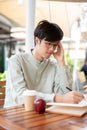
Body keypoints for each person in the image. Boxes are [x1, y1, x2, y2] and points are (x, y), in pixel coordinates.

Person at [4, 20, 84, 108]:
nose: (52, 49)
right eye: (48, 44)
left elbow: (65, 94)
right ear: (37, 40)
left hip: (42, 114)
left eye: (55, 45)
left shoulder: (54, 65)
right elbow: (20, 95)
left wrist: (61, 62)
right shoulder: (16, 61)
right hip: (15, 114)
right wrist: (57, 98)